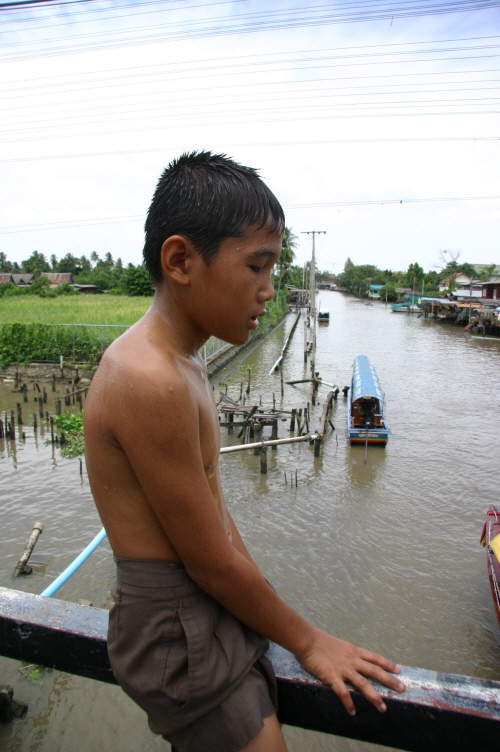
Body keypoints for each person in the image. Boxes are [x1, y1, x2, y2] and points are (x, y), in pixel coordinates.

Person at [84, 151, 405, 752]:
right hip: (176, 626)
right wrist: (308, 641)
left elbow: (217, 525)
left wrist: (264, 606)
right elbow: (206, 561)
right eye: (257, 266)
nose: (269, 290)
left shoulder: (185, 359)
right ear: (180, 261)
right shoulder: (146, 378)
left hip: (199, 600)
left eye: (274, 269)